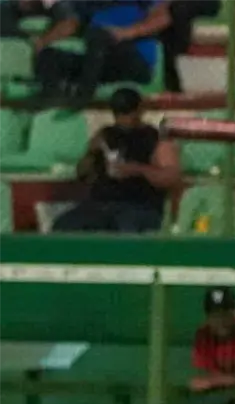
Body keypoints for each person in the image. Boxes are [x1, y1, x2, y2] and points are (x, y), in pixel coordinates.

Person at [54, 88, 180, 233]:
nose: (124, 120)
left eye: (128, 113)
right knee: (63, 225)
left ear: (139, 110)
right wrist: (90, 153)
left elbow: (171, 177)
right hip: (101, 204)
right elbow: (81, 173)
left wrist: (138, 170)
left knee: (125, 227)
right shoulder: (105, 135)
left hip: (139, 205)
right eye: (120, 114)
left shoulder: (154, 138)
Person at [32, 0, 169, 109]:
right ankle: (52, 98)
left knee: (99, 36)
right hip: (99, 61)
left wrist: (124, 33)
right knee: (49, 56)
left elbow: (162, 18)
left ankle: (84, 95)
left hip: (135, 59)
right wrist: (43, 42)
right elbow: (71, 24)